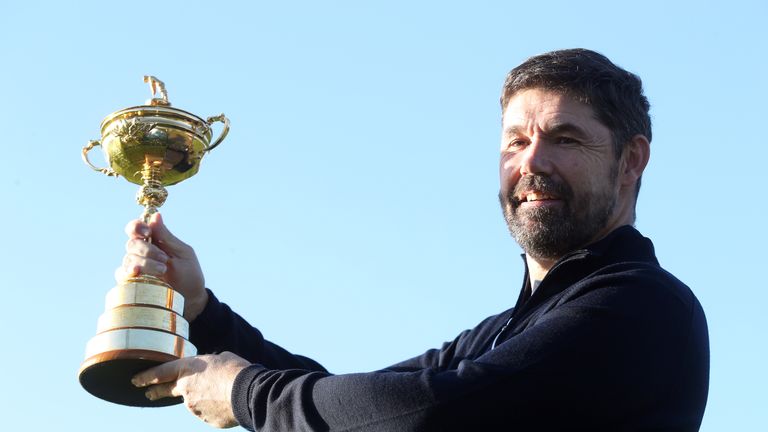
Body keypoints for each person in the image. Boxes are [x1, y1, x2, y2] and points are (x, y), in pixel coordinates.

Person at [125, 49, 709, 431]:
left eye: (565, 140)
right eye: (514, 142)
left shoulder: (641, 306)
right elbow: (353, 404)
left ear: (631, 160)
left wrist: (246, 393)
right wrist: (201, 310)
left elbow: (425, 415)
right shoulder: (500, 332)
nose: (533, 163)